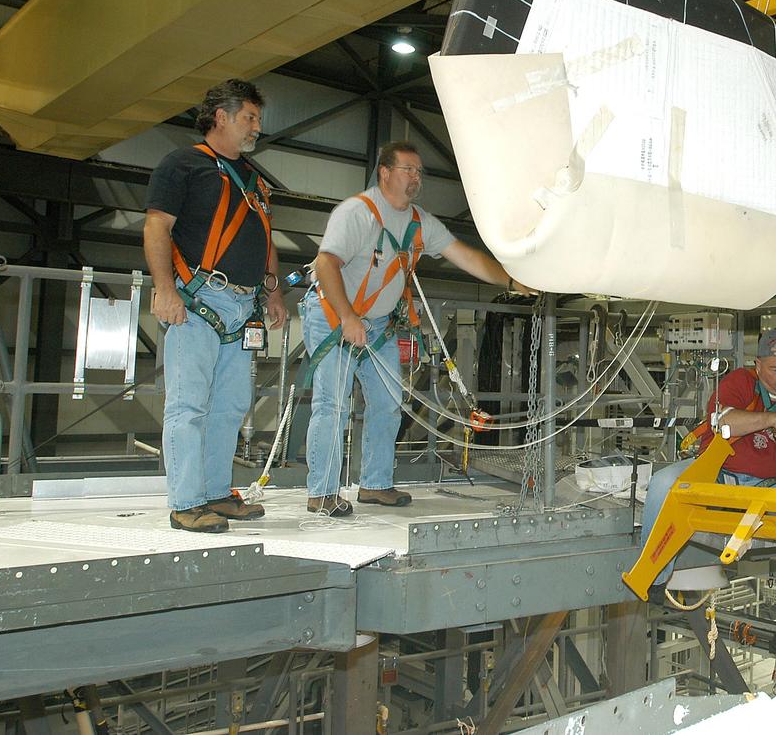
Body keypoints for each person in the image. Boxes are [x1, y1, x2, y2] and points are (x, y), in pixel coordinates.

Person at [301, 141, 532, 515]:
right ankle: (322, 493)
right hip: (333, 317)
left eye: (419, 172)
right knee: (333, 406)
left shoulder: (419, 222)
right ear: (385, 173)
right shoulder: (357, 213)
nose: (416, 178)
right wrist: (346, 317)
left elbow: (465, 256)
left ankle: (374, 485)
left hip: (379, 326)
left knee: (389, 404)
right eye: (408, 170)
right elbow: (326, 264)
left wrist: (511, 281)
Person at [144, 79, 287, 533]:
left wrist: (273, 291)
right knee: (188, 405)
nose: (256, 128)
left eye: (258, 120)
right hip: (198, 300)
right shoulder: (182, 164)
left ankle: (216, 493)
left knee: (229, 405)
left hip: (243, 307)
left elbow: (263, 237)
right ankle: (186, 502)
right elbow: (156, 228)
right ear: (220, 117)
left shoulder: (254, 178)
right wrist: (165, 289)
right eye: (249, 118)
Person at [641, 329, 776, 675]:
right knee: (665, 482)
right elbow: (724, 421)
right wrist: (773, 419)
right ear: (758, 366)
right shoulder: (740, 383)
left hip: (768, 489)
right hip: (722, 474)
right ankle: (654, 574)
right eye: (775, 369)